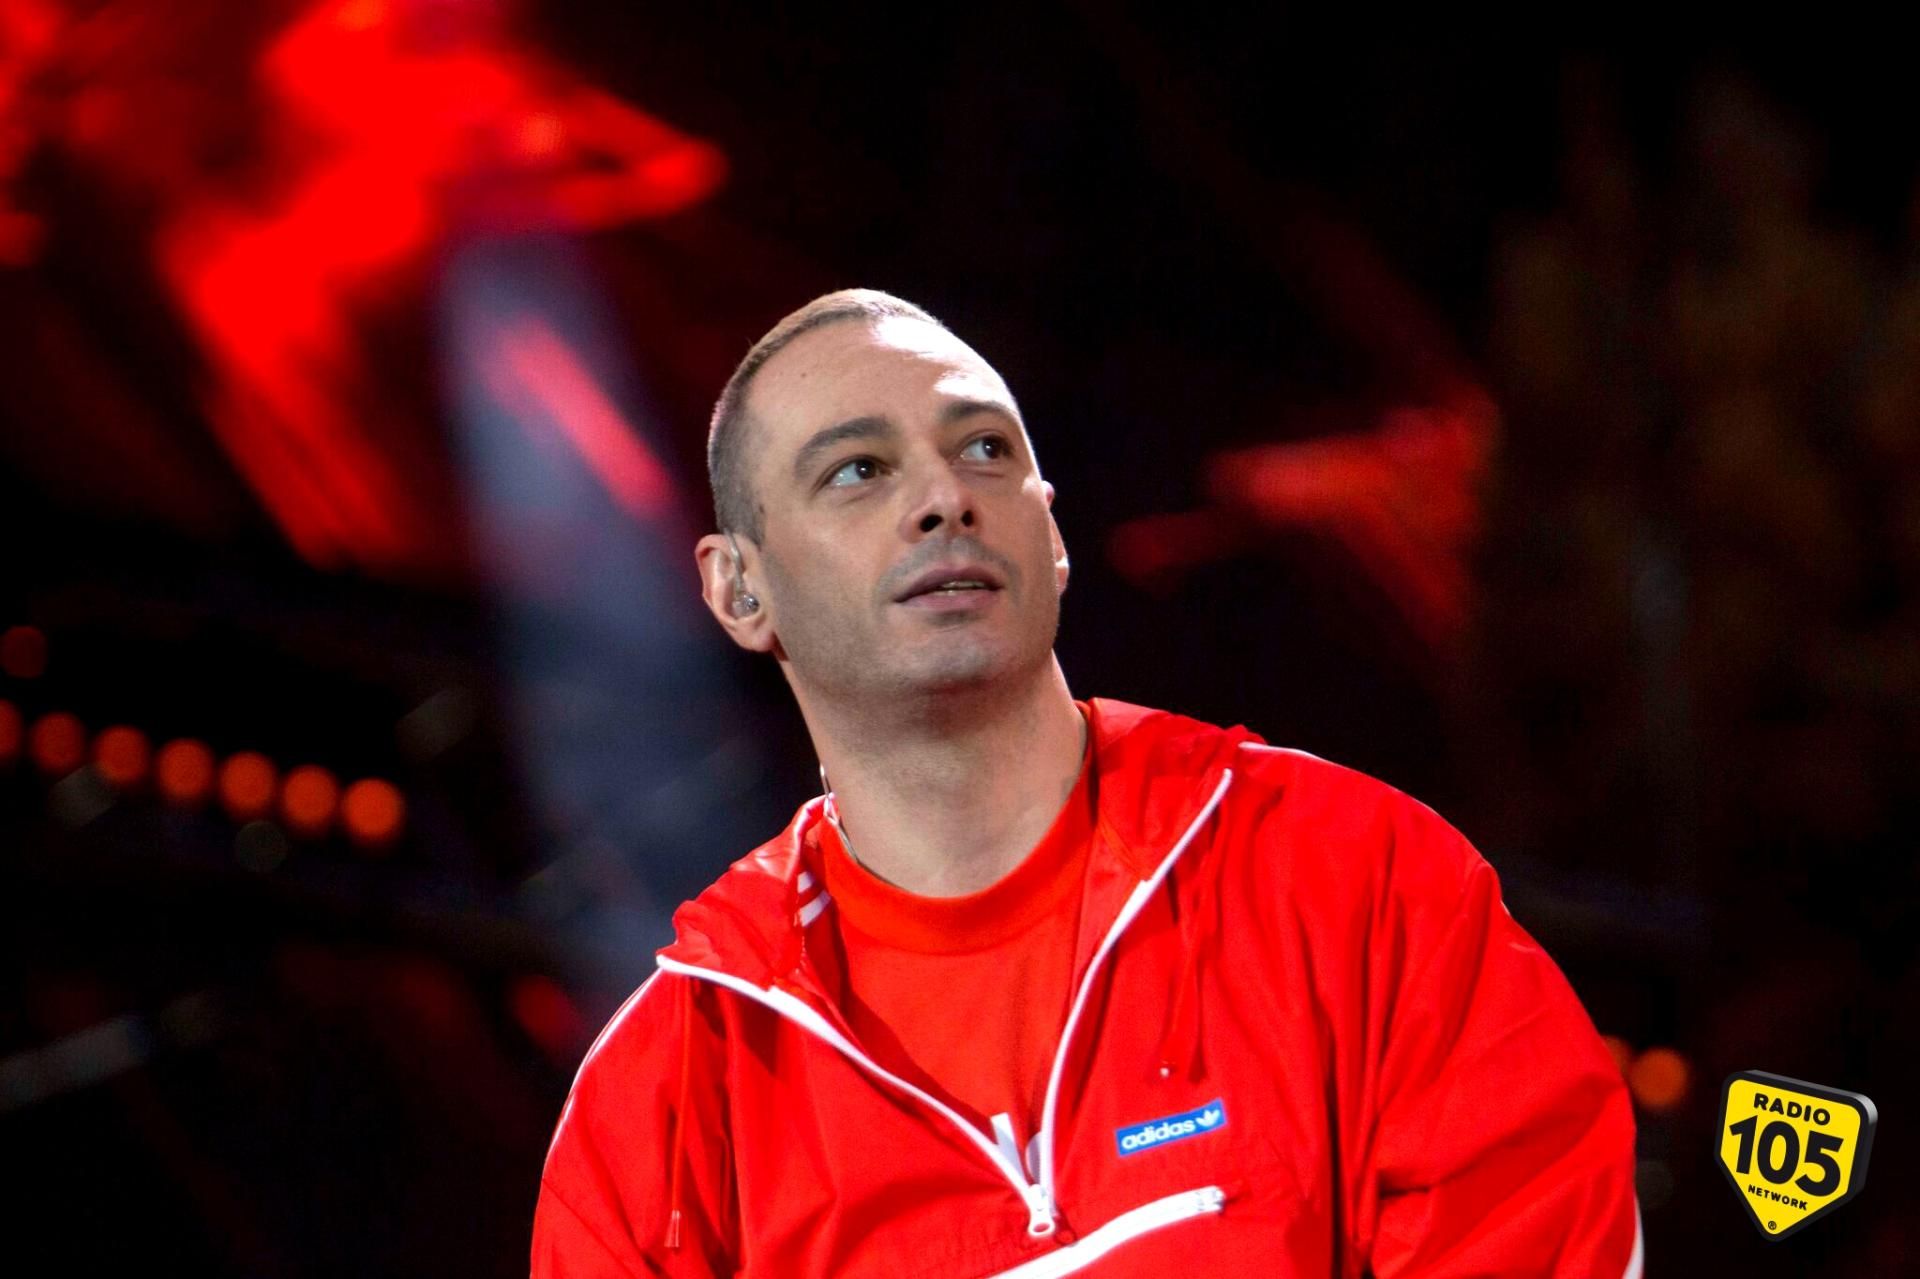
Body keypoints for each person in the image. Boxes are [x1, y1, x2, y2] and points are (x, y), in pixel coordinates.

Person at [530, 289, 1641, 1278]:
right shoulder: (666, 1103)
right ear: (739, 589)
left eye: (985, 450)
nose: (944, 497)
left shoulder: (1359, 883)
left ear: (1052, 534)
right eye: (858, 469)